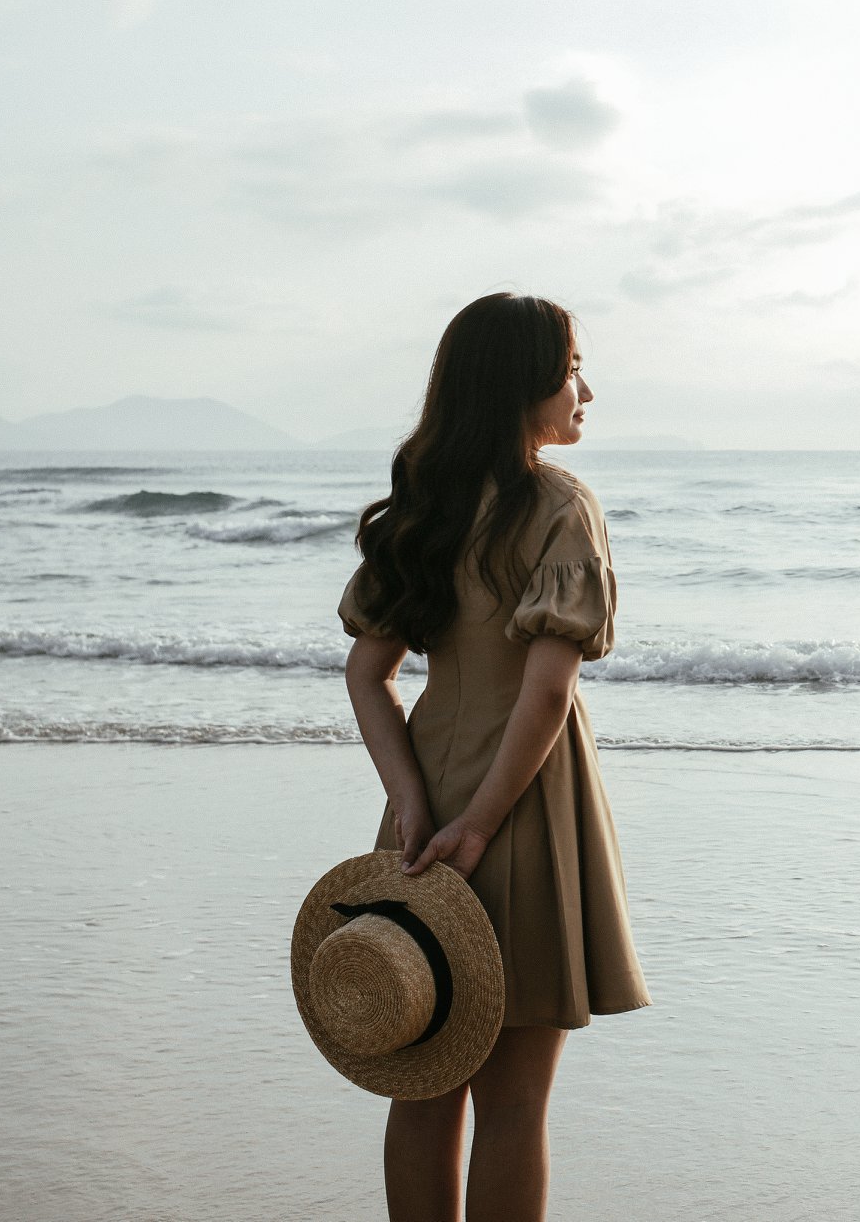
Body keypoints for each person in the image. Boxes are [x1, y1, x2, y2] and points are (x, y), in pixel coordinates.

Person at [339, 292, 650, 1222]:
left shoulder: (423, 511)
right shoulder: (562, 506)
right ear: (521, 388)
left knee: (422, 1078)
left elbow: (368, 675)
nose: (585, 391)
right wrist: (480, 824)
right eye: (569, 372)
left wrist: (415, 806)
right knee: (514, 1104)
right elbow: (546, 691)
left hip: (424, 800)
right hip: (526, 803)